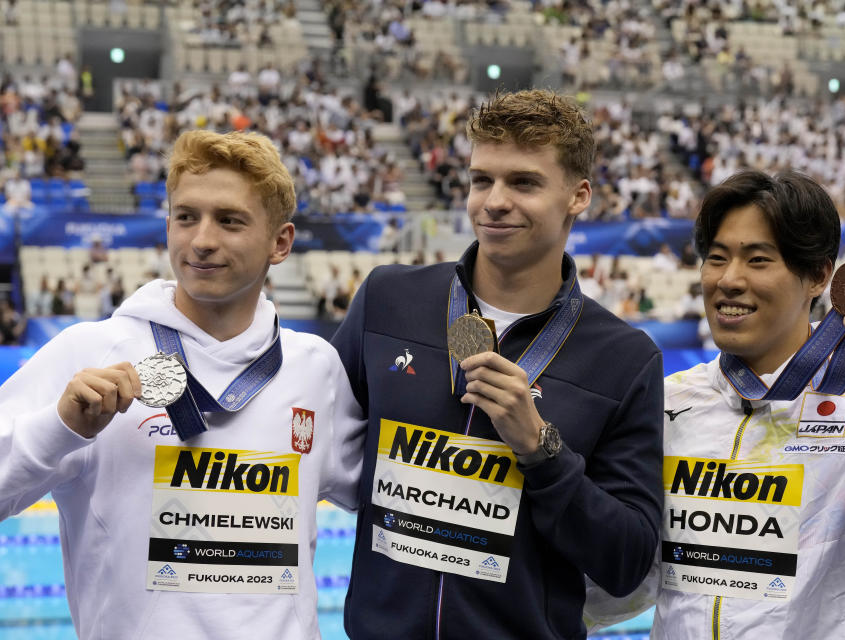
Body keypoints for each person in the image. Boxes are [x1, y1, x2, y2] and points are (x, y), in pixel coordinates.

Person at [0, 130, 365, 640]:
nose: (202, 240)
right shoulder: (89, 353)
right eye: (186, 217)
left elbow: (384, 501)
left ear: (280, 242)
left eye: (230, 220)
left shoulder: (316, 369)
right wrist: (59, 427)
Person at [332, 89, 664, 639]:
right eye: (481, 179)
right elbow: (306, 436)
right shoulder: (389, 299)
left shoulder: (625, 359)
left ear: (578, 196)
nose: (494, 201)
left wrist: (542, 450)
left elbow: (626, 562)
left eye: (524, 182)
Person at [584, 170, 845, 639]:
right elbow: (633, 579)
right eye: (716, 258)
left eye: (758, 260)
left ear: (818, 276)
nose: (729, 280)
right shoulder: (671, 398)